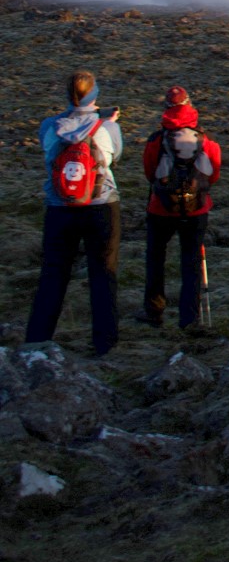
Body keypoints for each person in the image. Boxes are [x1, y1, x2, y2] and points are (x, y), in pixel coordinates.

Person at [26, 70, 125, 356]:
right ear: (95, 94)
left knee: (53, 275)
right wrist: (107, 124)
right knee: (103, 273)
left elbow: (48, 157)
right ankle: (105, 344)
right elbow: (114, 158)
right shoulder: (108, 127)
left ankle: (36, 340)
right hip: (101, 206)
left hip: (59, 209)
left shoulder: (48, 125)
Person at [140, 86, 222, 329]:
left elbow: (149, 173)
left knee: (155, 258)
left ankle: (154, 310)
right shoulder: (205, 141)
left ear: (166, 109)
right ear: (190, 105)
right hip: (196, 210)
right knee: (192, 260)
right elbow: (213, 174)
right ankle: (190, 317)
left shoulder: (156, 141)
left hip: (160, 210)